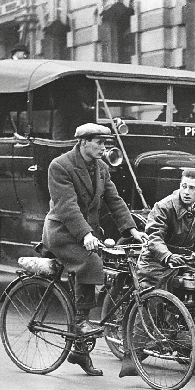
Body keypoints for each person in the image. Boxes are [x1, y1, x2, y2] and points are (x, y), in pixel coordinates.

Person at [43, 123, 145, 376]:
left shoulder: (101, 168)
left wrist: (132, 230)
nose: (103, 148)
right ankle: (80, 322)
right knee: (90, 261)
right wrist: (86, 234)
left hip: (87, 231)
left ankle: (80, 351)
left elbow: (114, 199)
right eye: (98, 142)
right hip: (63, 232)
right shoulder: (60, 166)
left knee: (110, 262)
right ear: (83, 142)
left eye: (106, 143)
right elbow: (66, 206)